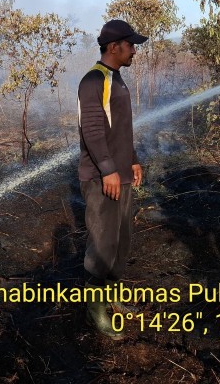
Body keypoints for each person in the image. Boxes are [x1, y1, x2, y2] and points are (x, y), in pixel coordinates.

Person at [77, 19, 147, 339]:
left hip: (120, 176)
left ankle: (111, 296)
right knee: (103, 241)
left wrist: (131, 161)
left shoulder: (116, 80)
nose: (134, 50)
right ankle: (94, 307)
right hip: (101, 178)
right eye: (130, 45)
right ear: (113, 47)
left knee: (121, 239)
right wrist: (108, 170)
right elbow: (92, 130)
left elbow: (120, 129)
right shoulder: (94, 80)